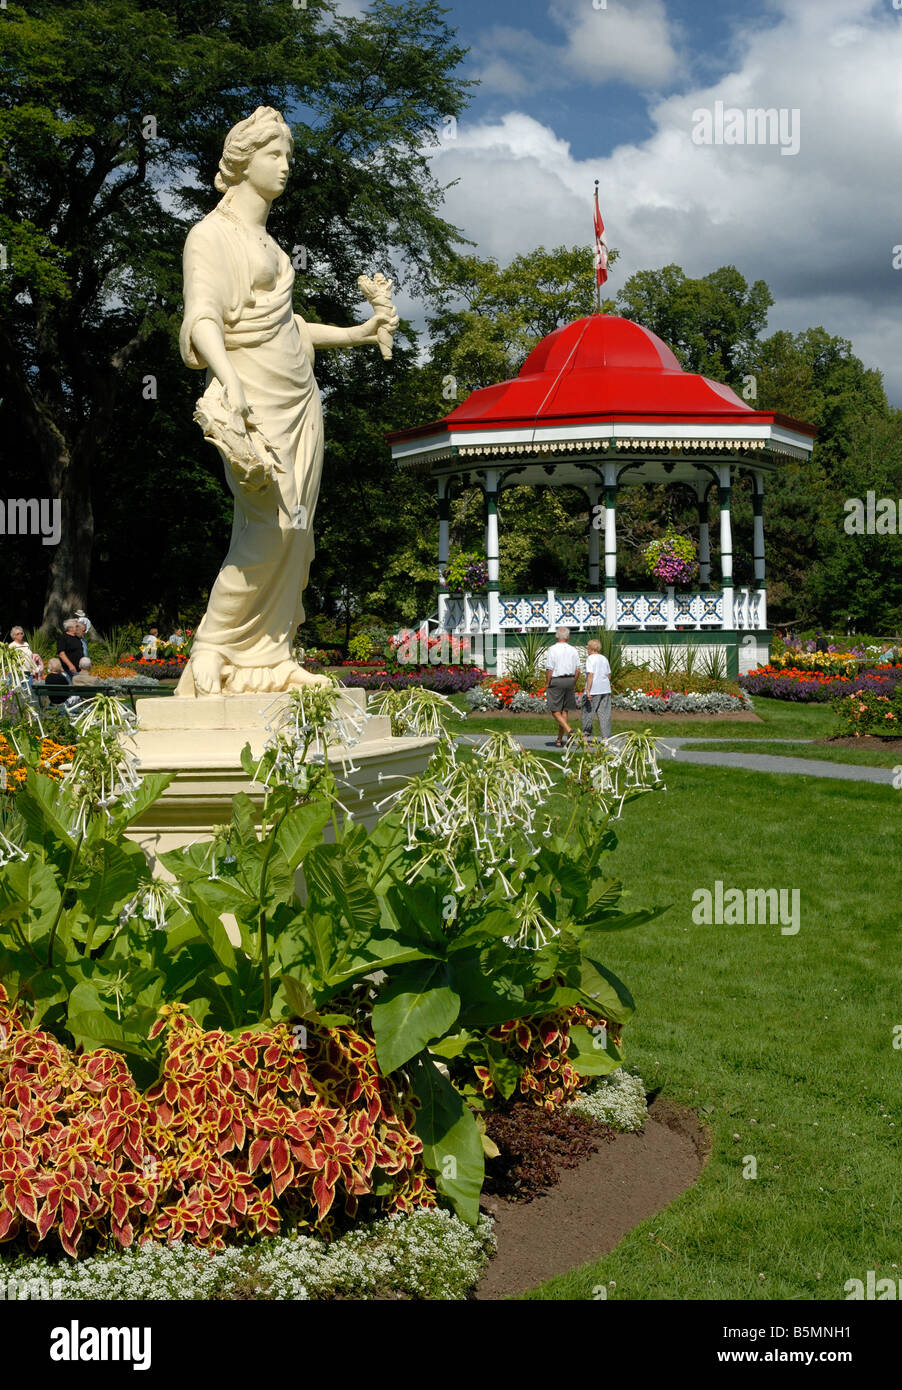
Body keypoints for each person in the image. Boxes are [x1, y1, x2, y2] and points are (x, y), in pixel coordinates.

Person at [173, 106, 396, 697]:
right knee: (265, 528)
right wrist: (230, 380)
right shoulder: (211, 235)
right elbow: (202, 318)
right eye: (275, 154)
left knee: (295, 533)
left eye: (288, 155)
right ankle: (213, 646)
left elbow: (288, 328)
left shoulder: (268, 242)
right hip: (254, 405)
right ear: (243, 162)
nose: (286, 166)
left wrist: (355, 333)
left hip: (300, 402)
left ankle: (270, 658)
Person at [544, 627, 580, 747]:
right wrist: (573, 681)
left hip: (557, 680)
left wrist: (547, 682)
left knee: (554, 710)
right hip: (569, 679)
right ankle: (559, 740)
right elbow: (578, 669)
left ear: (556, 636)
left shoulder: (552, 649)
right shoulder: (573, 650)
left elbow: (549, 668)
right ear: (568, 637)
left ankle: (570, 731)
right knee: (564, 710)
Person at [581, 637, 612, 741]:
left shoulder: (590, 659)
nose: (587, 649)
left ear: (591, 648)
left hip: (594, 689)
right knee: (604, 714)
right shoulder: (604, 658)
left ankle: (585, 736)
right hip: (605, 689)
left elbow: (590, 675)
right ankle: (605, 737)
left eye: (588, 647)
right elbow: (608, 675)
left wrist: (588, 690)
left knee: (588, 713)